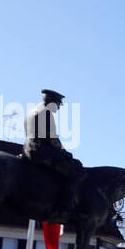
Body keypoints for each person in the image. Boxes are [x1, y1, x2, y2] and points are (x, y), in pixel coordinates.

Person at [23, 88, 83, 216]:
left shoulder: (31, 112)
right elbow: (52, 138)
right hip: (41, 150)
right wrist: (63, 152)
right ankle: (63, 207)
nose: (59, 107)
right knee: (74, 174)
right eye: (58, 104)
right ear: (51, 102)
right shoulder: (45, 114)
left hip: (28, 148)